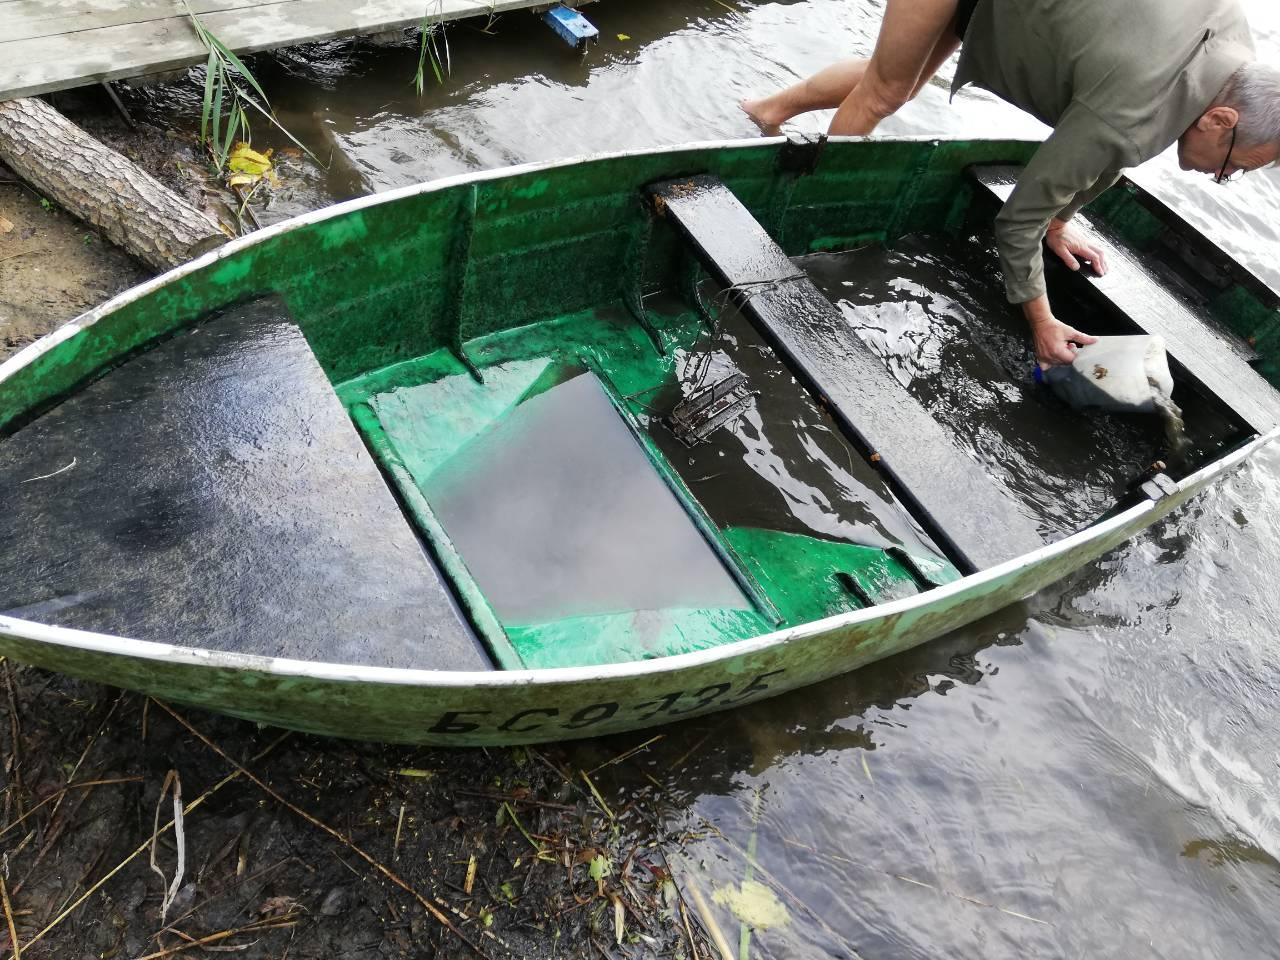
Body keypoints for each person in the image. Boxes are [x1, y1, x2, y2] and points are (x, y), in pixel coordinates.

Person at [741, 0, 1280, 367]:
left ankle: (767, 111)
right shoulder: (1131, 105)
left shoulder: (1233, 48)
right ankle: (804, 237)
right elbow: (1018, 219)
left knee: (896, 83)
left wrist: (1062, 220)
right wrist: (1042, 321)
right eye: (1237, 166)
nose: (1225, 176)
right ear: (1219, 119)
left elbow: (1119, 150)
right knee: (885, 90)